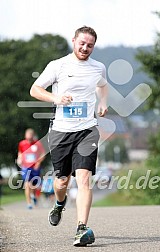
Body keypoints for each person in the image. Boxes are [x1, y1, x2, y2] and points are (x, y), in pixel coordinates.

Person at [30, 26, 108, 246]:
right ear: (74, 41)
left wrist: (103, 102)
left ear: (94, 46)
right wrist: (56, 98)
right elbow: (35, 89)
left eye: (90, 45)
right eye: (82, 43)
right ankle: (60, 203)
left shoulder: (98, 67)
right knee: (62, 181)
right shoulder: (58, 65)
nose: (85, 48)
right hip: (61, 132)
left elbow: (103, 86)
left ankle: (81, 228)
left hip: (87, 130)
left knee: (83, 179)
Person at [17, 128, 45, 209]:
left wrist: (38, 162)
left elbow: (43, 154)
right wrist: (19, 158)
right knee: (27, 184)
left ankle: (33, 195)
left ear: (33, 136)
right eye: (27, 136)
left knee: (35, 185)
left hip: (35, 168)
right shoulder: (22, 143)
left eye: (30, 136)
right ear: (25, 136)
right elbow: (20, 152)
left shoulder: (37, 144)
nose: (29, 138)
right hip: (25, 167)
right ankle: (29, 203)